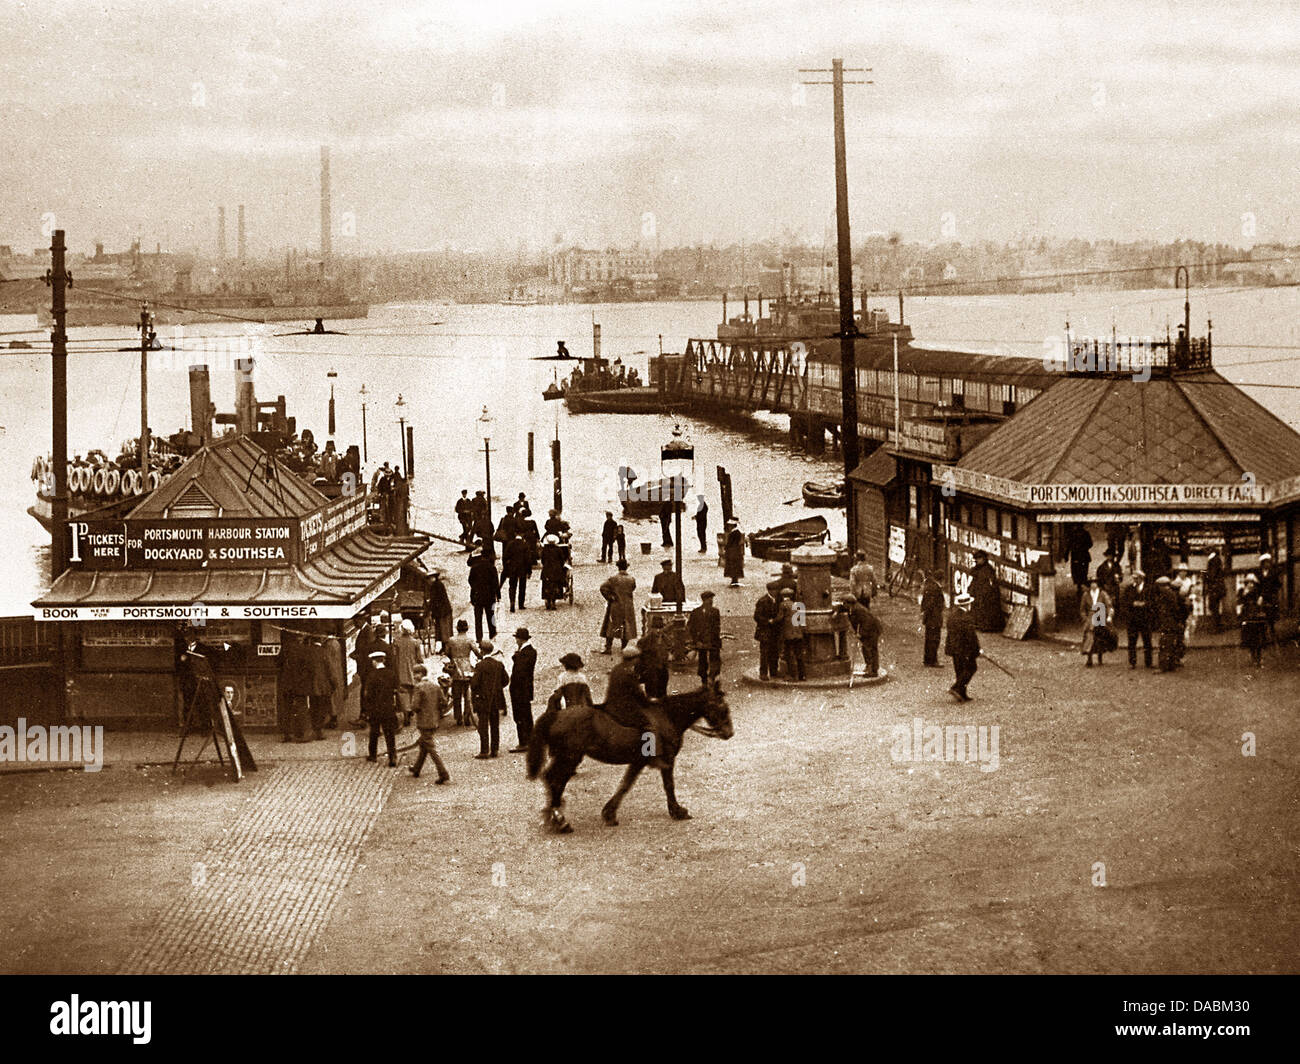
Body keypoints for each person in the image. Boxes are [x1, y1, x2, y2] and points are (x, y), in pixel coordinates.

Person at [604, 644, 669, 769]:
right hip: (623, 708)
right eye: (637, 658)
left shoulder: (616, 669)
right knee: (650, 724)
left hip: (611, 704)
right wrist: (649, 701)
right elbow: (638, 694)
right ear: (633, 659)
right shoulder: (629, 673)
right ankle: (650, 755)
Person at [408, 664, 451, 783]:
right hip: (434, 720)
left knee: (430, 748)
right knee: (424, 745)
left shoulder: (419, 687)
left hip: (423, 721)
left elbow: (415, 706)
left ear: (420, 674)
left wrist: (415, 710)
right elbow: (444, 702)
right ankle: (416, 768)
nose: (414, 676)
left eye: (415, 673)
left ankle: (443, 773)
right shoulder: (435, 686)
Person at [470, 639, 509, 759]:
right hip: (496, 699)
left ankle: (484, 750)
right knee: (495, 724)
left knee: (483, 725)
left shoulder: (480, 666)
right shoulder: (499, 664)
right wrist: (497, 688)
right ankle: (495, 749)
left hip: (483, 699)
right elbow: (506, 680)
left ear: (482, 651)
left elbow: (474, 684)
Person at [363, 650, 400, 767]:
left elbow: (367, 694)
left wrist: (367, 709)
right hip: (388, 708)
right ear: (383, 660)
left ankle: (372, 755)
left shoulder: (371, 676)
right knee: (389, 733)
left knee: (374, 732)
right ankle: (392, 757)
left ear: (374, 661)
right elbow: (396, 689)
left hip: (375, 709)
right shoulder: (391, 674)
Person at [277, 631, 315, 743]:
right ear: (300, 637)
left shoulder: (285, 649)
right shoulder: (305, 649)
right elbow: (310, 668)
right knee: (302, 708)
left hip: (287, 683)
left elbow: (278, 662)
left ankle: (287, 734)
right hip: (301, 684)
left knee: (287, 709)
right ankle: (302, 734)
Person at [945, 593, 980, 702]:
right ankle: (956, 688)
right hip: (965, 649)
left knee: (959, 670)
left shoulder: (952, 616)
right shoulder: (967, 618)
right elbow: (971, 636)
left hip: (954, 648)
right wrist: (977, 649)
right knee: (971, 668)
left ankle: (962, 694)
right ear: (966, 605)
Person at [599, 559, 638, 654]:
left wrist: (610, 597)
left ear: (618, 567)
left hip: (616, 605)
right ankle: (624, 647)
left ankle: (608, 648)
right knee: (626, 625)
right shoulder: (631, 579)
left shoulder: (613, 579)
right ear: (627, 567)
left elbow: (603, 588)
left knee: (611, 625)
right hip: (628, 606)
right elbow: (633, 588)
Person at [508, 627, 536, 752]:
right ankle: (530, 740)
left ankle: (523, 742)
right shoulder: (529, 652)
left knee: (520, 715)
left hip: (520, 689)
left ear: (520, 639)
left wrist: (516, 657)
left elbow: (520, 671)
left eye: (516, 639)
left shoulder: (525, 653)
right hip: (525, 689)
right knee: (526, 714)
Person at [445, 619, 477, 726]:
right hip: (466, 668)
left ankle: (458, 717)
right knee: (467, 693)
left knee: (456, 694)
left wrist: (453, 659)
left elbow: (447, 652)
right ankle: (467, 715)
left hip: (456, 669)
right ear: (467, 628)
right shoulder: (469, 640)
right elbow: (477, 652)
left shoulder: (451, 640)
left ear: (457, 628)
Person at [1118, 570, 1153, 669]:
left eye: (1137, 578)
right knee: (1132, 642)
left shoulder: (1148, 589)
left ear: (1142, 579)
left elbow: (1152, 602)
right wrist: (1132, 604)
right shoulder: (1129, 589)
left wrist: (1144, 604)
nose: (1135, 580)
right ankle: (1132, 662)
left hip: (1145, 619)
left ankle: (1148, 662)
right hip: (1133, 620)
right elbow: (1124, 602)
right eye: (1134, 578)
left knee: (1147, 642)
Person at [687, 589, 722, 683]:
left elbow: (691, 628)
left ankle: (708, 677)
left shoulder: (696, 612)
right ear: (705, 600)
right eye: (710, 599)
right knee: (710, 659)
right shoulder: (714, 611)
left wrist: (696, 640)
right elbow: (716, 627)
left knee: (707, 659)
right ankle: (709, 676)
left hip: (706, 640)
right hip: (709, 640)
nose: (711, 601)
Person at [393, 619, 423, 721]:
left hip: (400, 670)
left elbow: (394, 656)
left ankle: (406, 710)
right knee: (412, 691)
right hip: (412, 670)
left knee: (403, 692)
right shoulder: (415, 643)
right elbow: (419, 658)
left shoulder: (397, 642)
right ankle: (410, 708)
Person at [1079, 577, 1114, 667]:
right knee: (1089, 638)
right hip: (1090, 619)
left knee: (1100, 638)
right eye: (1091, 583)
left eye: (1095, 583)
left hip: (1100, 617)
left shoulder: (1102, 594)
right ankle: (1089, 658)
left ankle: (1100, 657)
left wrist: (1109, 616)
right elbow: (1082, 609)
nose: (1093, 585)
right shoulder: (1086, 595)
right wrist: (1085, 618)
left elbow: (1109, 605)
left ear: (1098, 584)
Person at [306, 635, 335, 740]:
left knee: (313, 707)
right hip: (323, 685)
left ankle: (315, 728)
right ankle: (319, 730)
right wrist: (334, 684)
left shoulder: (308, 652)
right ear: (321, 640)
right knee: (322, 708)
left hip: (311, 685)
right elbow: (330, 670)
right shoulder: (324, 652)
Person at [467, 548, 499, 642]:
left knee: (478, 619)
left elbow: (470, 581)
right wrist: (498, 596)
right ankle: (492, 635)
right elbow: (496, 583)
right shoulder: (491, 567)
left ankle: (479, 638)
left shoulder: (474, 567)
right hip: (490, 596)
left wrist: (476, 588)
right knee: (491, 617)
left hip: (477, 596)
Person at [845, 594, 882, 676]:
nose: (844, 605)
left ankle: (872, 670)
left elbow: (867, 622)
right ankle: (870, 667)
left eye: (845, 603)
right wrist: (836, 611)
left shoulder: (859, 610)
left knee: (869, 649)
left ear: (849, 603)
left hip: (872, 630)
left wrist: (860, 633)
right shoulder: (851, 608)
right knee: (866, 648)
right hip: (869, 630)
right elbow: (841, 608)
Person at [753, 584, 782, 680]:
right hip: (765, 631)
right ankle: (763, 673)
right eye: (774, 590)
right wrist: (767, 621)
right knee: (765, 653)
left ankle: (774, 671)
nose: (776, 592)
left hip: (774, 631)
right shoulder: (762, 601)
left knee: (775, 652)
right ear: (769, 590)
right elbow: (757, 616)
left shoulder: (778, 600)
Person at [1238, 574, 1268, 667]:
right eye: (1248, 583)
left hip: (1256, 618)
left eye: (1252, 583)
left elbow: (1261, 604)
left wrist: (1260, 600)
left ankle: (1258, 658)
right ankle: (1253, 657)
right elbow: (1240, 603)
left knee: (1258, 640)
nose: (1250, 585)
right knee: (1250, 639)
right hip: (1248, 617)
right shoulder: (1242, 592)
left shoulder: (1258, 593)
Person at [970, 552, 1004, 632]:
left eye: (978, 559)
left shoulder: (987, 569)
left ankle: (986, 626)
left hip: (986, 593)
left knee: (986, 610)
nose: (977, 561)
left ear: (983, 559)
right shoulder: (978, 568)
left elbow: (989, 583)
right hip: (979, 592)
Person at [501, 533, 533, 612]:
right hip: (523, 568)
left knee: (512, 586)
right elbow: (528, 559)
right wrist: (529, 571)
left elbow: (505, 557)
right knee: (522, 586)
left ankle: (512, 602)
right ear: (522, 536)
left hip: (512, 568)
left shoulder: (510, 544)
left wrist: (506, 568)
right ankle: (521, 604)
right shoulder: (525, 545)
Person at [778, 588, 805, 681]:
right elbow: (801, 620)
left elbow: (780, 618)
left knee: (789, 655)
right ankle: (802, 675)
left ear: (782, 596)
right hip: (798, 633)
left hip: (788, 633)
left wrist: (772, 621)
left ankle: (793, 675)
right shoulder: (798, 605)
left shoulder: (783, 605)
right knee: (799, 655)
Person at [920, 570, 945, 667]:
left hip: (930, 618)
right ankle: (933, 660)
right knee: (934, 640)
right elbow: (932, 604)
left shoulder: (930, 586)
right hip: (934, 618)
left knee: (929, 639)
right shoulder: (936, 588)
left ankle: (927, 660)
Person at [637, 625, 670, 699]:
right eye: (656, 628)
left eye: (660, 628)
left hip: (662, 670)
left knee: (662, 694)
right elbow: (639, 658)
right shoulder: (645, 641)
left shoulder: (666, 639)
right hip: (651, 672)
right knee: (651, 695)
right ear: (652, 629)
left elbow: (670, 648)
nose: (658, 631)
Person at [1256, 553, 1281, 645]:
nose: (1267, 564)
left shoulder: (1273, 573)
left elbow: (1278, 584)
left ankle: (1272, 634)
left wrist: (1274, 591)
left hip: (1270, 597)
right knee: (1261, 617)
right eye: (1265, 562)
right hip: (1262, 598)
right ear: (1262, 563)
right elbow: (1257, 585)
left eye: (1268, 562)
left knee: (1271, 617)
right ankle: (1264, 637)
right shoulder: (1259, 573)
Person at [539, 534, 568, 609]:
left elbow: (542, 560)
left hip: (547, 570)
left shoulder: (545, 550)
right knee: (556, 585)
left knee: (546, 585)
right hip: (557, 570)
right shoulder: (558, 550)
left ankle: (547, 600)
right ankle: (553, 601)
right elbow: (562, 560)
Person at [428, 570, 452, 653]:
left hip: (443, 612)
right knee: (441, 631)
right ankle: (444, 647)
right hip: (440, 612)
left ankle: (446, 648)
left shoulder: (437, 586)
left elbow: (434, 600)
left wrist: (430, 610)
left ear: (434, 577)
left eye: (431, 577)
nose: (429, 580)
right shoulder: (436, 585)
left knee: (444, 630)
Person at [1204, 548, 1226, 632]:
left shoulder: (1213, 560)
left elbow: (1211, 574)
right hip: (1218, 588)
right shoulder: (1217, 559)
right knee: (1215, 607)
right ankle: (1217, 626)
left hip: (1214, 588)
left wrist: (1205, 574)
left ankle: (1216, 627)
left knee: (1214, 607)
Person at [724, 520, 745, 587]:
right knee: (735, 567)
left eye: (730, 525)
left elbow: (730, 543)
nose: (729, 527)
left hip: (733, 552)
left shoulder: (734, 533)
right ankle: (734, 581)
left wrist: (726, 548)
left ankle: (734, 582)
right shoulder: (737, 532)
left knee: (733, 567)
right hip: (736, 551)